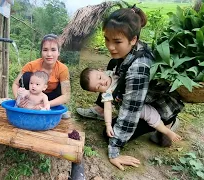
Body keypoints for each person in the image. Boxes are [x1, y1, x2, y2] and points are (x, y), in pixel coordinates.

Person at [76, 5, 184, 170]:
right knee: (111, 67)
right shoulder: (128, 51)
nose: (110, 47)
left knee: (109, 135)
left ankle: (168, 122)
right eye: (107, 39)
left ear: (133, 39)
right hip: (139, 97)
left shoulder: (138, 69)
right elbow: (111, 84)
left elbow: (130, 113)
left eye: (117, 41)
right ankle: (99, 111)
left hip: (157, 107)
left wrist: (114, 151)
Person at [79, 68, 182, 141]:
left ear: (101, 70)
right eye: (98, 87)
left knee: (153, 114)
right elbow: (108, 109)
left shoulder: (114, 70)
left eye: (100, 77)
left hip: (147, 95)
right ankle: (166, 130)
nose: (102, 82)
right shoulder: (107, 93)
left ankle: (168, 123)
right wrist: (108, 125)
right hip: (133, 107)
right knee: (150, 115)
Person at [12, 34, 71, 116]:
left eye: (53, 50)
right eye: (45, 50)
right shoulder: (31, 65)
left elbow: (66, 95)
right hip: (31, 96)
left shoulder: (63, 69)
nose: (49, 54)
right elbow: (15, 84)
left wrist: (46, 104)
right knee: (26, 76)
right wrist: (18, 99)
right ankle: (26, 107)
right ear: (41, 52)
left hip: (51, 98)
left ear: (58, 53)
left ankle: (56, 108)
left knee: (61, 86)